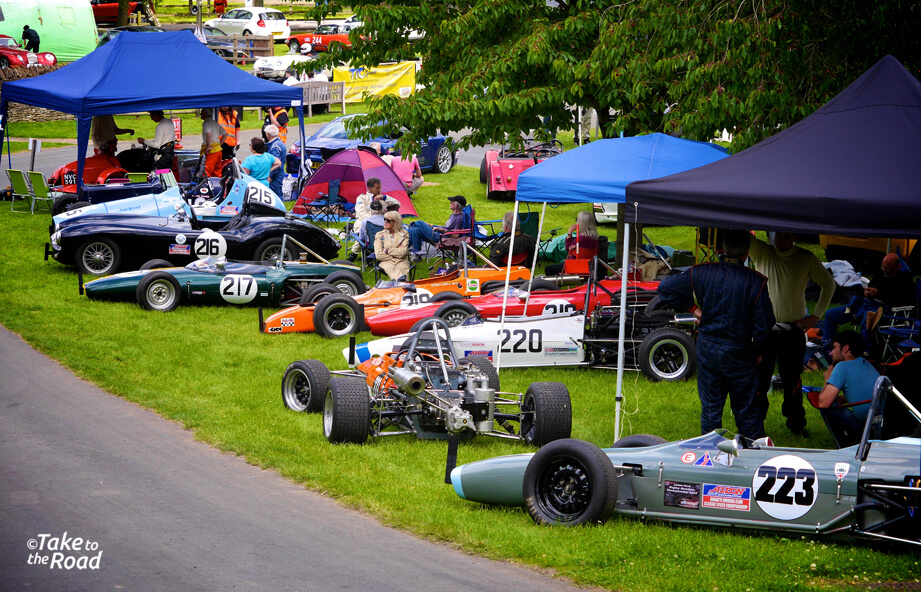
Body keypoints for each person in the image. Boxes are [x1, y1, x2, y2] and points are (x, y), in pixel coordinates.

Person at [656, 229, 774, 443]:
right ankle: (754, 460)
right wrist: (759, 352)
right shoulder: (756, 281)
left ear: (723, 249)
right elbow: (765, 326)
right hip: (740, 352)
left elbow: (665, 287)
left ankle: (709, 459)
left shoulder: (701, 271)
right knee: (746, 411)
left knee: (711, 410)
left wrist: (693, 309)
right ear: (746, 252)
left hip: (708, 348)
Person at [751, 232, 836, 437]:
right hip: (765, 330)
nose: (780, 241)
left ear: (794, 236)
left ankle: (796, 423)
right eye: (778, 236)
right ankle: (755, 425)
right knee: (760, 379)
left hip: (793, 330)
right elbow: (741, 230)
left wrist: (815, 317)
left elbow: (829, 284)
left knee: (792, 380)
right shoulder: (763, 251)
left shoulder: (805, 257)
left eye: (786, 236)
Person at [821, 253, 916, 346]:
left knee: (867, 319)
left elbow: (899, 299)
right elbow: (871, 286)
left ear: (897, 267)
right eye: (883, 267)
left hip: (884, 311)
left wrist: (878, 294)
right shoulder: (881, 274)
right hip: (864, 304)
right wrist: (867, 292)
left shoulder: (904, 281)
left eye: (888, 269)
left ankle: (865, 350)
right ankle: (826, 343)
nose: (885, 270)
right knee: (831, 314)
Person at [815, 331, 879, 425]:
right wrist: (843, 399)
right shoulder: (867, 364)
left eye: (834, 347)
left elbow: (823, 404)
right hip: (884, 420)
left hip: (868, 425)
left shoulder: (842, 367)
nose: (831, 353)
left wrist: (827, 380)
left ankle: (848, 439)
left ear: (845, 348)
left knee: (827, 409)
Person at [348, 177, 400, 261]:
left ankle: (359, 254)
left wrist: (385, 198)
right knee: (364, 231)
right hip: (363, 223)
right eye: (377, 188)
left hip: (381, 224)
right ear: (370, 188)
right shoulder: (362, 198)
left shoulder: (382, 198)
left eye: (380, 187)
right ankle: (356, 254)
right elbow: (361, 213)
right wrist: (375, 216)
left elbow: (398, 204)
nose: (379, 190)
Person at [374, 211, 411, 280]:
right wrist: (395, 255)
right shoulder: (379, 235)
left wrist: (387, 250)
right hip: (385, 261)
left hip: (401, 261)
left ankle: (404, 286)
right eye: (384, 219)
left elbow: (403, 252)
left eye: (388, 220)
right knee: (392, 270)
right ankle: (401, 283)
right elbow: (379, 255)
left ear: (396, 222)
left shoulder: (404, 234)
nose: (385, 222)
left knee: (404, 271)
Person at [199, 108, 228, 178]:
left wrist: (208, 146)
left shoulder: (206, 123)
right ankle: (218, 186)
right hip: (218, 150)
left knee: (206, 171)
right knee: (217, 171)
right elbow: (225, 134)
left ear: (205, 114)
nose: (200, 114)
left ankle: (206, 187)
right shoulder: (214, 123)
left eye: (201, 112)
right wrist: (219, 145)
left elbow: (208, 134)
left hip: (211, 152)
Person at [264, 124, 287, 198]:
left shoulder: (274, 147)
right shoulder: (280, 142)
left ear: (268, 134)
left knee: (275, 196)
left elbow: (276, 164)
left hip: (276, 176)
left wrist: (271, 176)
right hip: (279, 174)